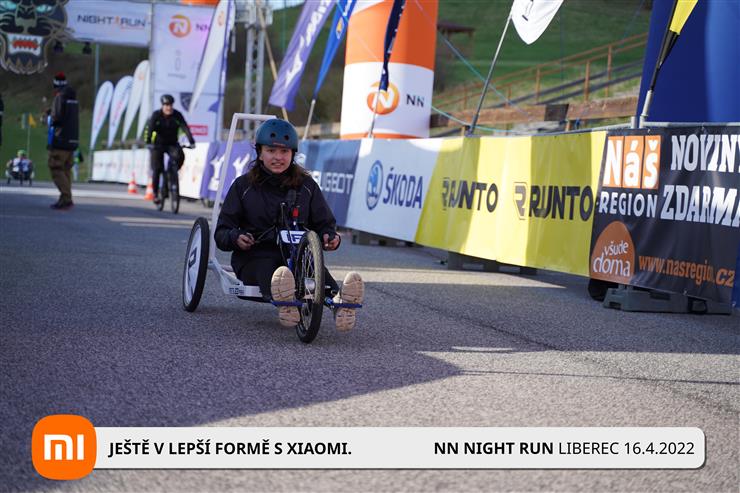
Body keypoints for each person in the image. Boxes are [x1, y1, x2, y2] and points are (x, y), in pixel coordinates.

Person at [214, 119, 364, 331]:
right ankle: (286, 302)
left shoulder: (307, 186)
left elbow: (325, 223)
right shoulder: (243, 186)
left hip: (298, 256)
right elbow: (222, 232)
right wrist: (235, 237)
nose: (278, 157)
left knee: (313, 271)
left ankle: (340, 303)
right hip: (254, 256)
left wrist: (330, 237)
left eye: (284, 151)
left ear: (293, 154)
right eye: (271, 151)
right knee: (271, 269)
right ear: (260, 153)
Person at [144, 94, 195, 205]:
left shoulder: (177, 115)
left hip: (172, 144)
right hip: (158, 145)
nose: (169, 107)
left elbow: (185, 127)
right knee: (157, 169)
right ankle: (156, 194)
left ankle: (170, 174)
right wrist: (148, 142)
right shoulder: (156, 115)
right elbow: (149, 129)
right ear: (162, 106)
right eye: (166, 105)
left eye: (170, 105)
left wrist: (191, 141)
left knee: (180, 155)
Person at [46, 72, 79, 209]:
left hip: (61, 140)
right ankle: (65, 198)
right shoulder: (73, 98)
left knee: (56, 168)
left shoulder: (60, 97)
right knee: (66, 170)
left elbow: (57, 117)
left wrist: (49, 116)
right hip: (72, 140)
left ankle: (66, 198)